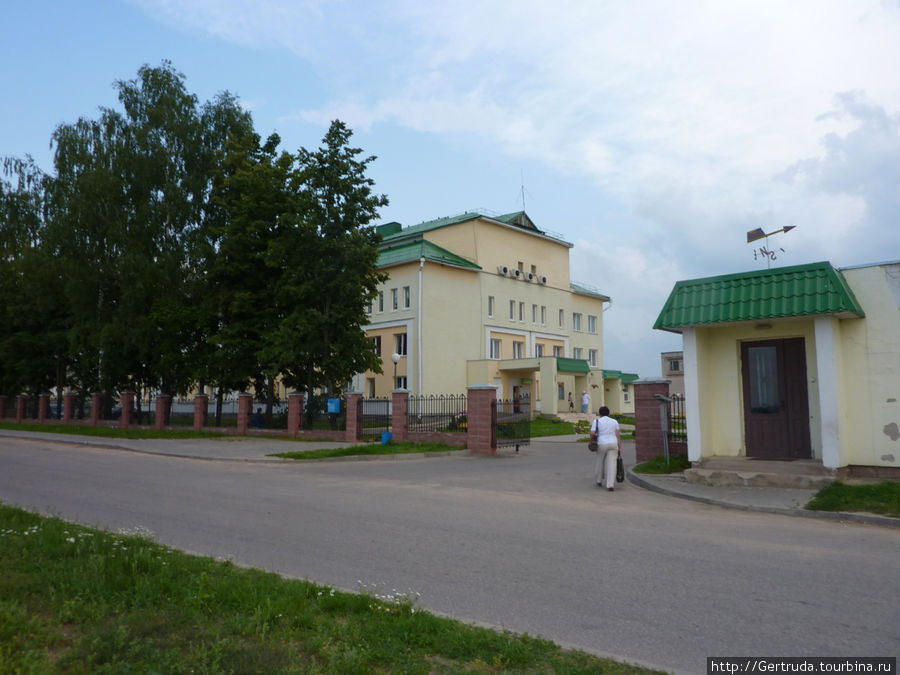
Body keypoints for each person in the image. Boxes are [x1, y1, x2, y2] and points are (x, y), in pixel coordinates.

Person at [590, 406, 621, 491]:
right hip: (613, 444)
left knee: (600, 461)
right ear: (608, 413)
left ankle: (599, 480)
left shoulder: (596, 421)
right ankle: (610, 485)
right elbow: (618, 436)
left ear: (600, 413)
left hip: (602, 443)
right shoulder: (614, 421)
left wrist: (594, 436)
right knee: (612, 464)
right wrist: (619, 447)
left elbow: (592, 433)